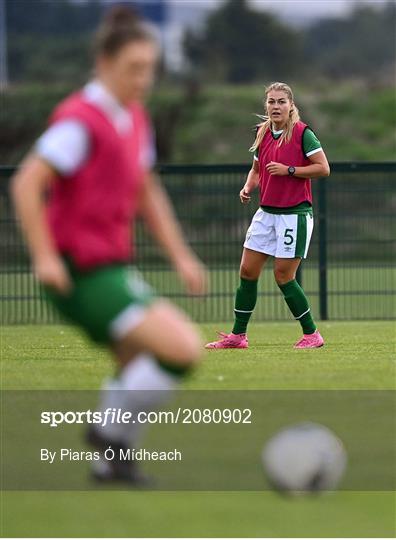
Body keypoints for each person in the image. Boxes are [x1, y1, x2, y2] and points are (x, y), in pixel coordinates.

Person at [11, 6, 207, 484]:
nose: (142, 80)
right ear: (103, 64)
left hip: (109, 266)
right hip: (80, 272)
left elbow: (146, 191)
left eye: (150, 70)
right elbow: (25, 184)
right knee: (182, 349)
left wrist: (180, 255)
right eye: (133, 69)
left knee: (137, 363)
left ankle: (110, 465)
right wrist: (43, 256)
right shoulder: (81, 121)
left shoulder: (134, 118)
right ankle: (107, 432)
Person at [206, 82, 330, 350]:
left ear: (291, 105)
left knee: (284, 277)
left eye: (281, 102)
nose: (276, 106)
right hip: (266, 213)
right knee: (247, 271)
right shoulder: (263, 132)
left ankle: (312, 335)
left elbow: (323, 168)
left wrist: (290, 170)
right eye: (271, 102)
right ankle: (238, 336)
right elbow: (256, 169)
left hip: (293, 215)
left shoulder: (302, 133)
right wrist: (248, 186)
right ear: (266, 105)